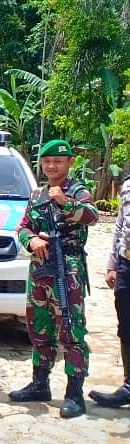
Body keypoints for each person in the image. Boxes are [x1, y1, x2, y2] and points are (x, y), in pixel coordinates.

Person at [9, 139, 98, 417]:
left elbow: (92, 216)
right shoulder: (36, 195)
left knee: (71, 329)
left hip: (67, 268)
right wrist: (32, 239)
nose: (51, 166)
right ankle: (40, 383)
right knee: (39, 326)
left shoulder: (78, 191)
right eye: (47, 162)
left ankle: (74, 393)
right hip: (40, 267)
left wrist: (66, 202)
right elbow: (22, 227)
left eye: (57, 161)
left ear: (69, 162)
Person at [89, 173, 130, 408]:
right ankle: (129, 386)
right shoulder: (127, 184)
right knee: (126, 325)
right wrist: (112, 264)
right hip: (126, 264)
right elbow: (121, 226)